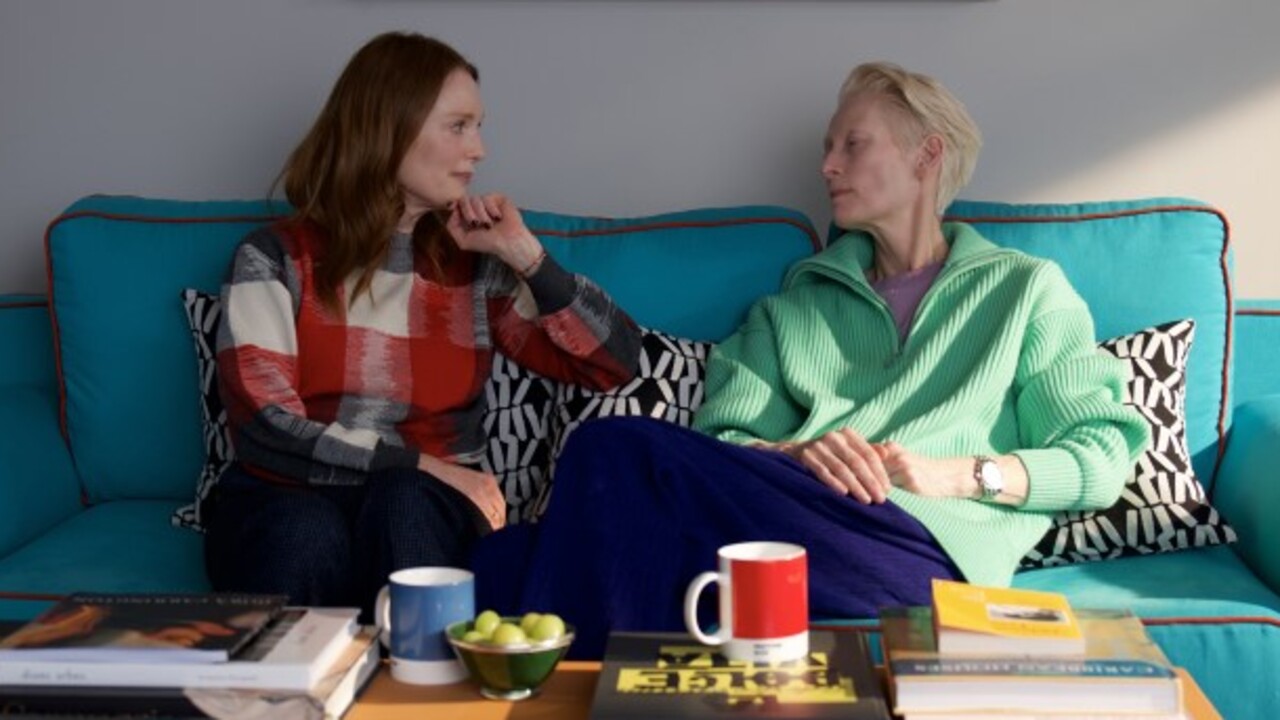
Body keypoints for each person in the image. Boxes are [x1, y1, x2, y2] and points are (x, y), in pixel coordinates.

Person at [473, 61, 1150, 658]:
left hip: (922, 551)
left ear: (926, 156)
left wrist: (960, 474)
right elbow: (723, 444)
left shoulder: (1024, 291)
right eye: (828, 147)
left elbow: (1099, 456)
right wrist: (797, 453)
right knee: (503, 559)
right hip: (792, 526)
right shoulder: (792, 308)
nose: (827, 165)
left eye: (853, 144)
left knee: (606, 457)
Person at [202, 32, 642, 619]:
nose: (479, 149)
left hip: (423, 505)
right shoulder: (274, 257)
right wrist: (418, 462)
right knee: (305, 531)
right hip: (288, 493)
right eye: (458, 126)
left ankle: (423, 674)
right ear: (389, 129)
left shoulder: (473, 266)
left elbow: (614, 364)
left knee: (403, 503)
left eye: (478, 127)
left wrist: (526, 256)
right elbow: (266, 428)